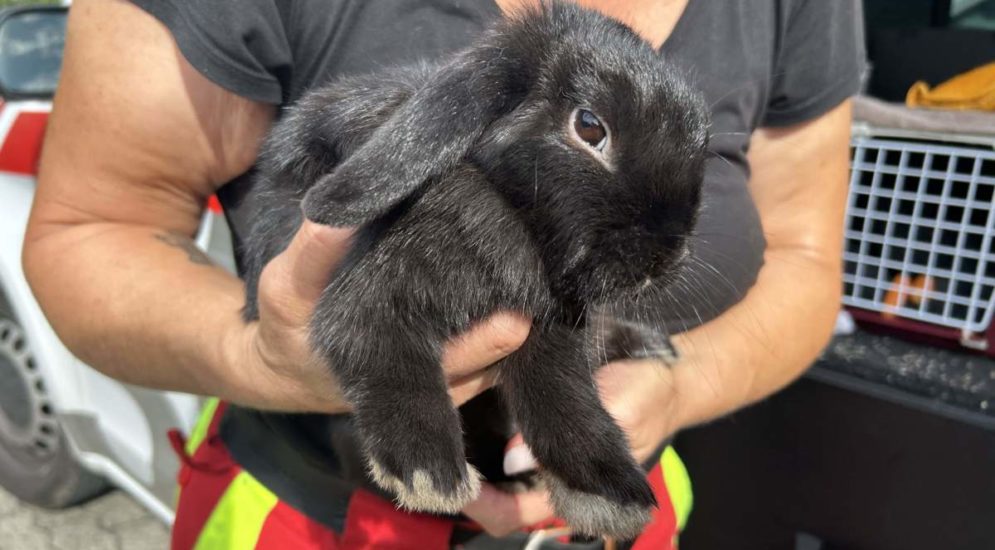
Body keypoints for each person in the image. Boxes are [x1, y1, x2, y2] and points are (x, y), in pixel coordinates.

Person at [22, 0, 864, 548]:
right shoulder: (474, 107)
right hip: (318, 514)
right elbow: (94, 227)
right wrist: (272, 360)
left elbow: (803, 256)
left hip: (617, 508)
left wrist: (671, 394)